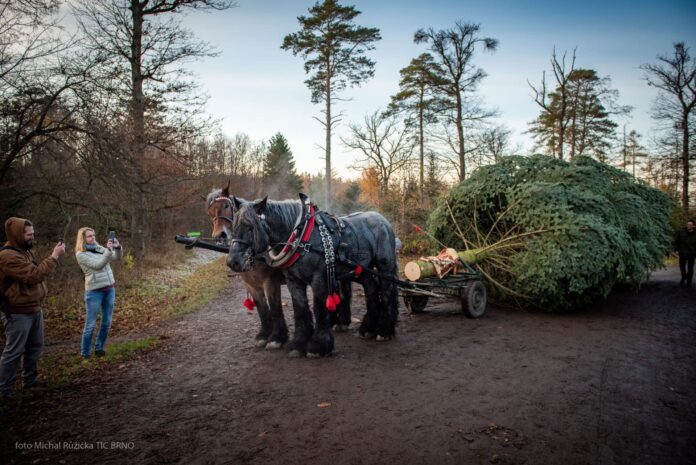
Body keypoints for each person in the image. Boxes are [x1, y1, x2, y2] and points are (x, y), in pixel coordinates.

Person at [0, 217, 65, 398]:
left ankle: (30, 380)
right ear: (17, 234)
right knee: (14, 351)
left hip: (34, 308)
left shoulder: (24, 251)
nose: (32, 237)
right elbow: (33, 276)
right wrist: (54, 256)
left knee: (35, 346)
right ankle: (5, 389)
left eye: (33, 234)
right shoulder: (7, 256)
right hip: (17, 312)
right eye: (29, 235)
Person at [75, 228, 122, 358]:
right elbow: (98, 265)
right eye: (90, 236)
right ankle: (85, 353)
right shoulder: (81, 254)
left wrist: (117, 248)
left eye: (94, 235)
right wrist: (108, 250)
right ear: (83, 239)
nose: (93, 238)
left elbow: (116, 258)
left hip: (109, 289)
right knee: (90, 324)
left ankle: (99, 348)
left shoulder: (98, 247)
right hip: (94, 292)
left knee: (107, 322)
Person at [675, 219, 696, 288]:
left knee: (690, 269)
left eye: (690, 224)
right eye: (688, 224)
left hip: (692, 254)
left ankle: (689, 282)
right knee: (682, 267)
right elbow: (677, 241)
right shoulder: (681, 232)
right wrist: (676, 250)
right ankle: (684, 277)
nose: (689, 226)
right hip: (683, 253)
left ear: (693, 225)